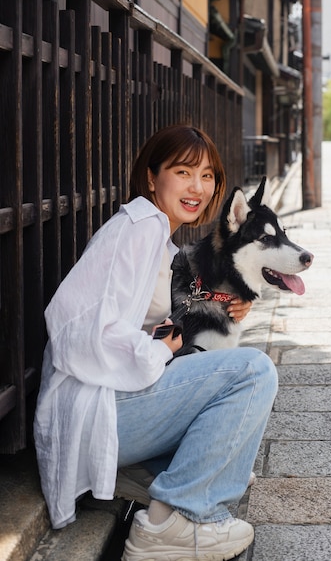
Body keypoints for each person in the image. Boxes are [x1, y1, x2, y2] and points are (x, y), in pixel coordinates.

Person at [34, 124, 278, 561]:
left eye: (207, 176)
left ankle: (145, 476)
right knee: (253, 370)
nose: (197, 187)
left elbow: (172, 305)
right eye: (183, 172)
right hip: (98, 411)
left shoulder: (157, 238)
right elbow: (79, 329)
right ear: (151, 177)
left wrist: (230, 304)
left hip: (111, 407)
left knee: (233, 461)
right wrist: (157, 350)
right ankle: (174, 523)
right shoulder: (139, 226)